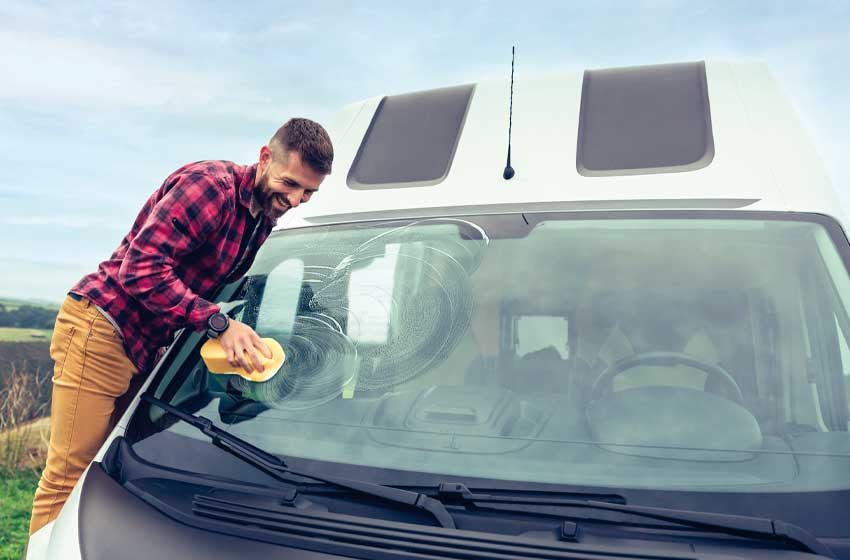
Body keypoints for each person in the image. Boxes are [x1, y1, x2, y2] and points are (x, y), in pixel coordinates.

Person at [28, 118, 334, 535]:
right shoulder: (209, 187)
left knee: (114, 463)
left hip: (146, 346)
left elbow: (214, 282)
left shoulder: (262, 217)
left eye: (309, 192)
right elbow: (141, 269)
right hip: (101, 329)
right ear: (265, 158)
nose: (297, 199)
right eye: (291, 183)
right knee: (68, 474)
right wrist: (217, 323)